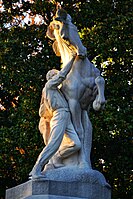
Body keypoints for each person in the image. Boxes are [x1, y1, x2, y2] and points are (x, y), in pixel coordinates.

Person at [29, 56, 81, 179]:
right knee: (53, 143)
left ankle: (57, 157)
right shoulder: (49, 86)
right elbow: (63, 74)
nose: (58, 76)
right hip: (59, 115)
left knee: (76, 144)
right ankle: (36, 169)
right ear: (51, 77)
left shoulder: (56, 91)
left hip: (65, 115)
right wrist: (73, 59)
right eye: (55, 75)